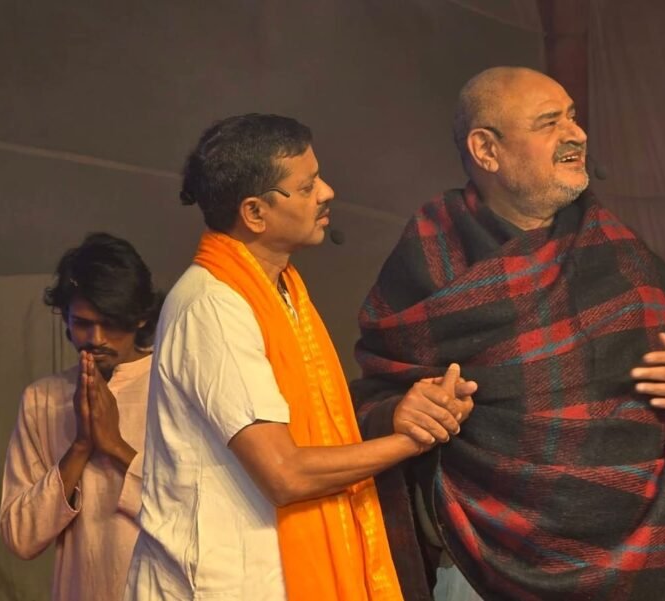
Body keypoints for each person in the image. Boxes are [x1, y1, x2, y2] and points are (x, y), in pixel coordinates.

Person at [353, 67, 665, 600]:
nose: (576, 135)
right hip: (484, 565)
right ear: (486, 150)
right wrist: (399, 414)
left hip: (653, 562)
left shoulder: (615, 250)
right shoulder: (429, 257)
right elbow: (370, 398)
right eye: (549, 123)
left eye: (572, 117)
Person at [124, 113, 473, 601]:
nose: (327, 192)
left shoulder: (282, 291)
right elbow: (285, 472)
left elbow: (313, 430)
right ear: (255, 212)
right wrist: (411, 440)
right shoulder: (213, 305)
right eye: (307, 187)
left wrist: (403, 413)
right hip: (222, 584)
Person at [0, 232, 163, 601]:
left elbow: (194, 516)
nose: (96, 338)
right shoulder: (42, 399)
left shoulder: (173, 387)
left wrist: (115, 447)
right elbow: (20, 536)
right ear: (66, 319)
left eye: (111, 323)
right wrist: (80, 446)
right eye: (83, 323)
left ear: (140, 318)